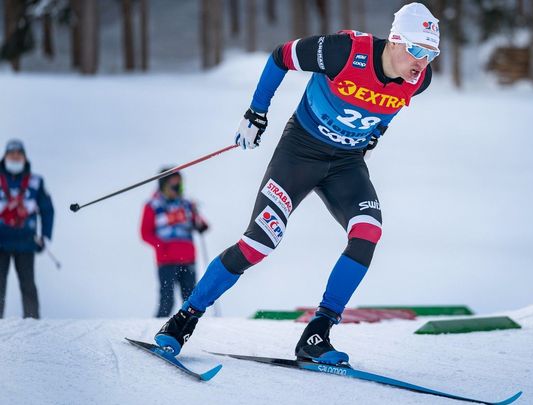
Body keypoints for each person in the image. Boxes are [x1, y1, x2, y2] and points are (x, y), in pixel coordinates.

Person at [155, 3, 439, 365]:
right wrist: (257, 113)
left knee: (368, 233)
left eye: (431, 53)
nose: (423, 61)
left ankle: (318, 331)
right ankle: (184, 319)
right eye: (417, 49)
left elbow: (387, 108)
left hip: (346, 165)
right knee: (259, 243)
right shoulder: (344, 52)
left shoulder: (420, 81)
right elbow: (280, 57)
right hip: (300, 154)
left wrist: (374, 136)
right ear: (396, 41)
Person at [141, 169, 209, 317]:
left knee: (191, 300)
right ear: (163, 185)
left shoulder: (187, 204)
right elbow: (145, 233)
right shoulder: (152, 205)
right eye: (173, 185)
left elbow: (201, 224)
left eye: (179, 185)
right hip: (166, 260)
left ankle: (190, 330)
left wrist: (200, 223)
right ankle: (157, 331)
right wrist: (161, 246)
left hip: (188, 259)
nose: (177, 188)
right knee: (167, 300)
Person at [0, 139, 54, 319]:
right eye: (11, 153)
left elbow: (47, 210)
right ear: (5, 156)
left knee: (28, 285)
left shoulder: (36, 182)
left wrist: (45, 236)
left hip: (26, 243)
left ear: (24, 157)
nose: (15, 156)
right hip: (1, 243)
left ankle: (32, 325)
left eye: (19, 153)